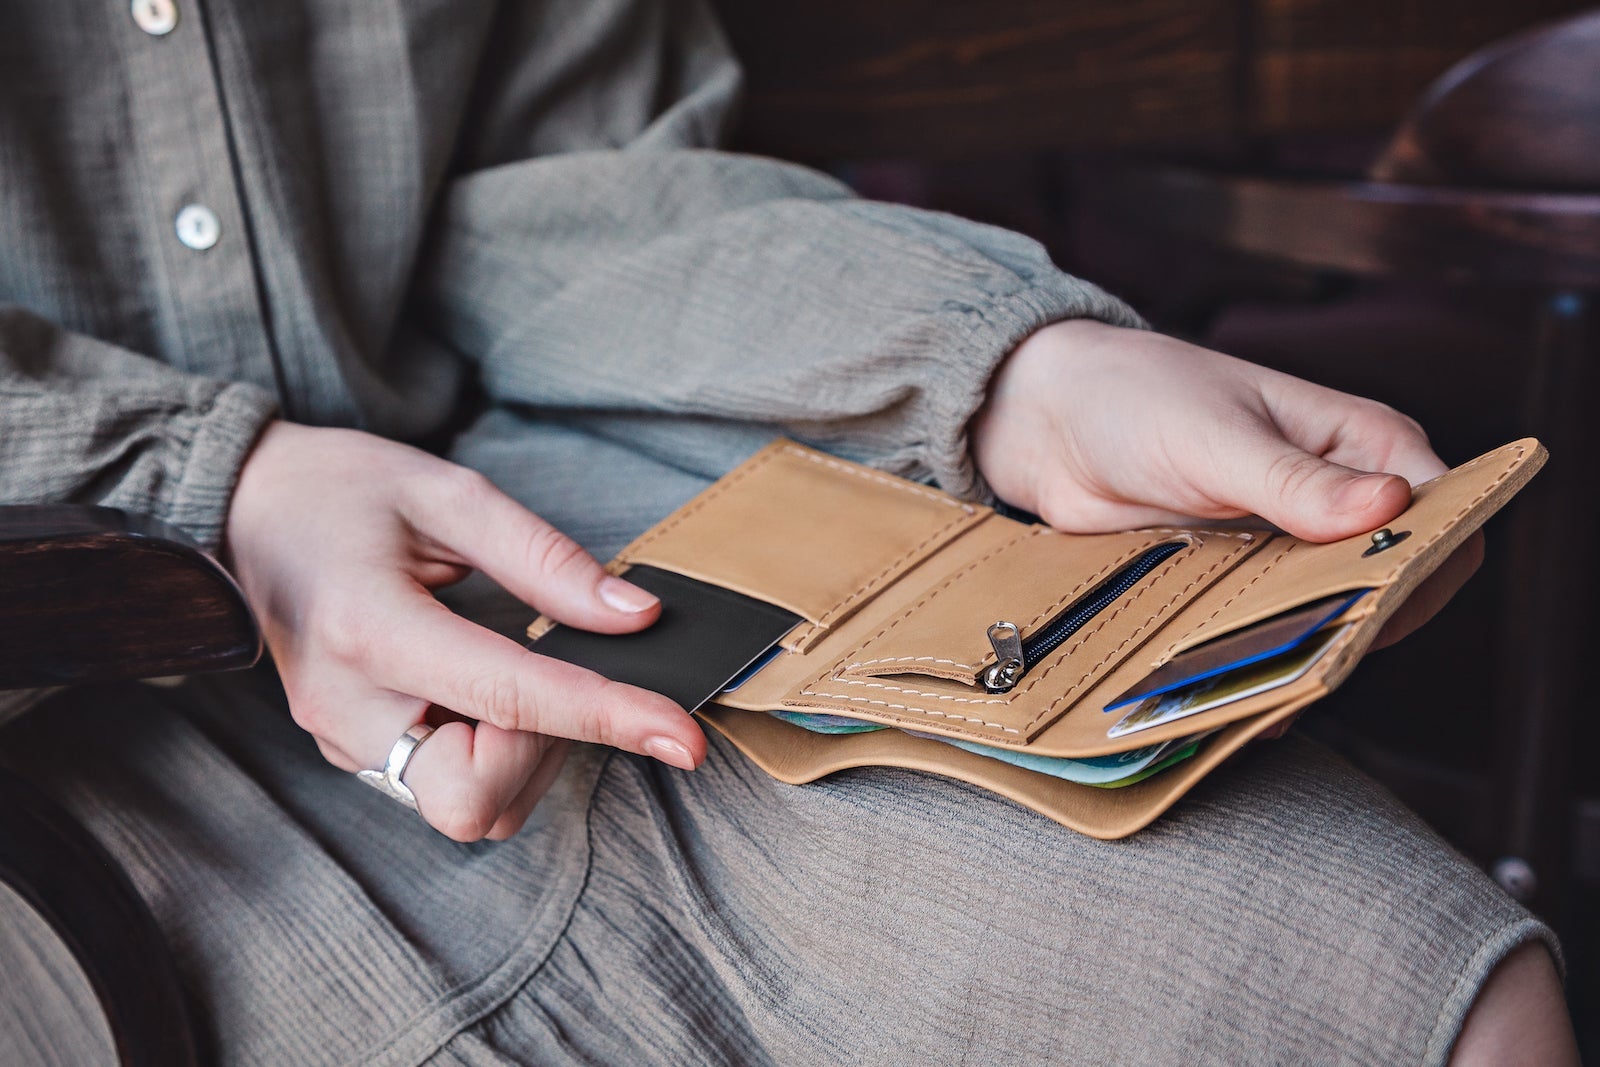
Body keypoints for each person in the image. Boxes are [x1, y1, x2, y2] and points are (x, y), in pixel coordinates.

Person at [0, 1, 1577, 1063]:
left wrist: (1014, 373)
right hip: (54, 735)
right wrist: (217, 488)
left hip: (549, 533)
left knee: (1423, 992)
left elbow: (577, 189)